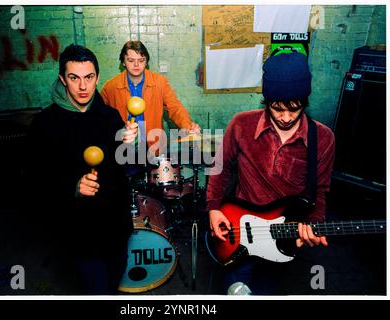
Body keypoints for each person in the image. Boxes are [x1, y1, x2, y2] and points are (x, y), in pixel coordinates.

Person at [207, 52, 335, 295]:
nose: (286, 117)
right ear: (266, 101)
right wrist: (213, 208)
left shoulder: (324, 138)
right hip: (240, 228)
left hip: (284, 236)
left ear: (305, 101)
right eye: (277, 108)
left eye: (294, 108)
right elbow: (219, 167)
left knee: (269, 289)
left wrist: (313, 228)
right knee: (236, 289)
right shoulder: (241, 124)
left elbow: (321, 190)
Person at [25, 44, 137, 294]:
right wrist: (72, 187)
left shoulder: (111, 116)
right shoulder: (44, 124)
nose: (83, 87)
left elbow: (126, 167)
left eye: (89, 77)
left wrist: (129, 144)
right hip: (79, 231)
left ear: (97, 77)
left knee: (114, 279)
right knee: (95, 289)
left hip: (115, 225)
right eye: (74, 78)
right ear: (62, 79)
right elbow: (34, 181)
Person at [101, 40, 200, 151]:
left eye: (141, 60)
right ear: (123, 62)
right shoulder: (110, 87)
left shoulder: (160, 82)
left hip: (153, 144)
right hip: (123, 146)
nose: (136, 65)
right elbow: (100, 118)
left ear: (146, 62)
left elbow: (174, 107)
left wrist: (187, 126)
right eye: (131, 60)